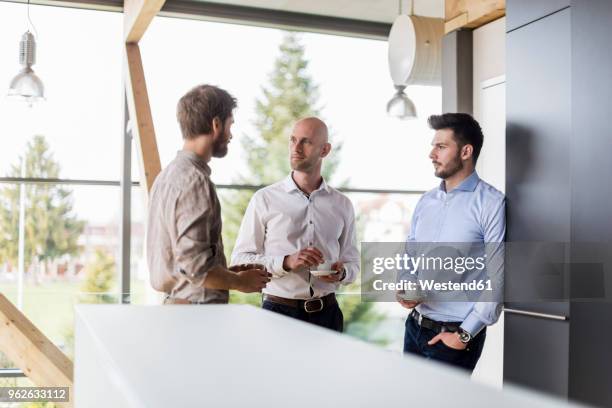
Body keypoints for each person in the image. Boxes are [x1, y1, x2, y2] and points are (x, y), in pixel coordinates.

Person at [398, 113, 505, 372]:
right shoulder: (426, 202)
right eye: (433, 146)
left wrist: (464, 335)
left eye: (441, 146)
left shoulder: (491, 203)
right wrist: (405, 284)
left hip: (455, 338)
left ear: (466, 151)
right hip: (414, 327)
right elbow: (410, 254)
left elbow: (499, 278)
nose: (431, 154)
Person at [231, 117, 359, 331]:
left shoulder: (342, 205)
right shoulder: (264, 199)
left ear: (325, 150)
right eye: (293, 140)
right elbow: (240, 259)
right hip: (278, 314)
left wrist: (342, 272)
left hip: (328, 315)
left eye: (306, 142)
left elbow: (353, 262)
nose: (296, 148)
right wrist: (286, 262)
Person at [147, 84, 270, 304]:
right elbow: (196, 268)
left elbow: (182, 261)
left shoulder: (166, 177)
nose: (230, 135)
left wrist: (225, 272)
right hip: (196, 314)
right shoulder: (194, 181)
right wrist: (241, 282)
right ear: (216, 124)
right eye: (230, 125)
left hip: (178, 305)